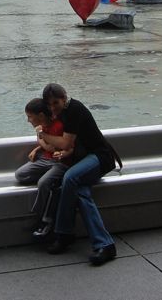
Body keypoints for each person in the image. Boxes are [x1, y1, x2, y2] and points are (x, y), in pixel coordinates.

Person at [41, 83, 121, 266]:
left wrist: (42, 135)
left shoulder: (74, 110)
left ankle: (63, 234)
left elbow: (64, 144)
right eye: (49, 104)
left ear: (64, 98)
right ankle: (105, 245)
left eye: (56, 102)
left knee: (70, 178)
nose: (53, 107)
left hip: (100, 157)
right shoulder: (63, 113)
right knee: (81, 192)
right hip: (84, 159)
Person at [14, 98, 69, 240]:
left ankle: (41, 218)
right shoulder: (44, 127)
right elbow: (48, 144)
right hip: (45, 159)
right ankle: (52, 177)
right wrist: (38, 148)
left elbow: (53, 146)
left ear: (41, 116)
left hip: (58, 161)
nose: (28, 120)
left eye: (30, 117)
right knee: (20, 175)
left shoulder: (57, 126)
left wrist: (40, 137)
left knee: (43, 183)